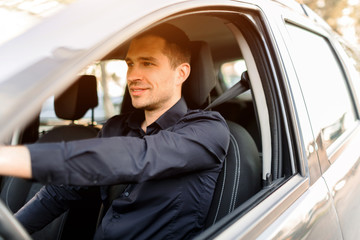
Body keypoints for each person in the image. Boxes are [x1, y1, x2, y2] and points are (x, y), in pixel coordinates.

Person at [0, 24, 230, 239]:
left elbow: (136, 157)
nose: (132, 76)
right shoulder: (116, 127)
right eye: (130, 64)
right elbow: (60, 193)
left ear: (181, 73)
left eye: (147, 63)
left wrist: (16, 157)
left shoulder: (207, 130)